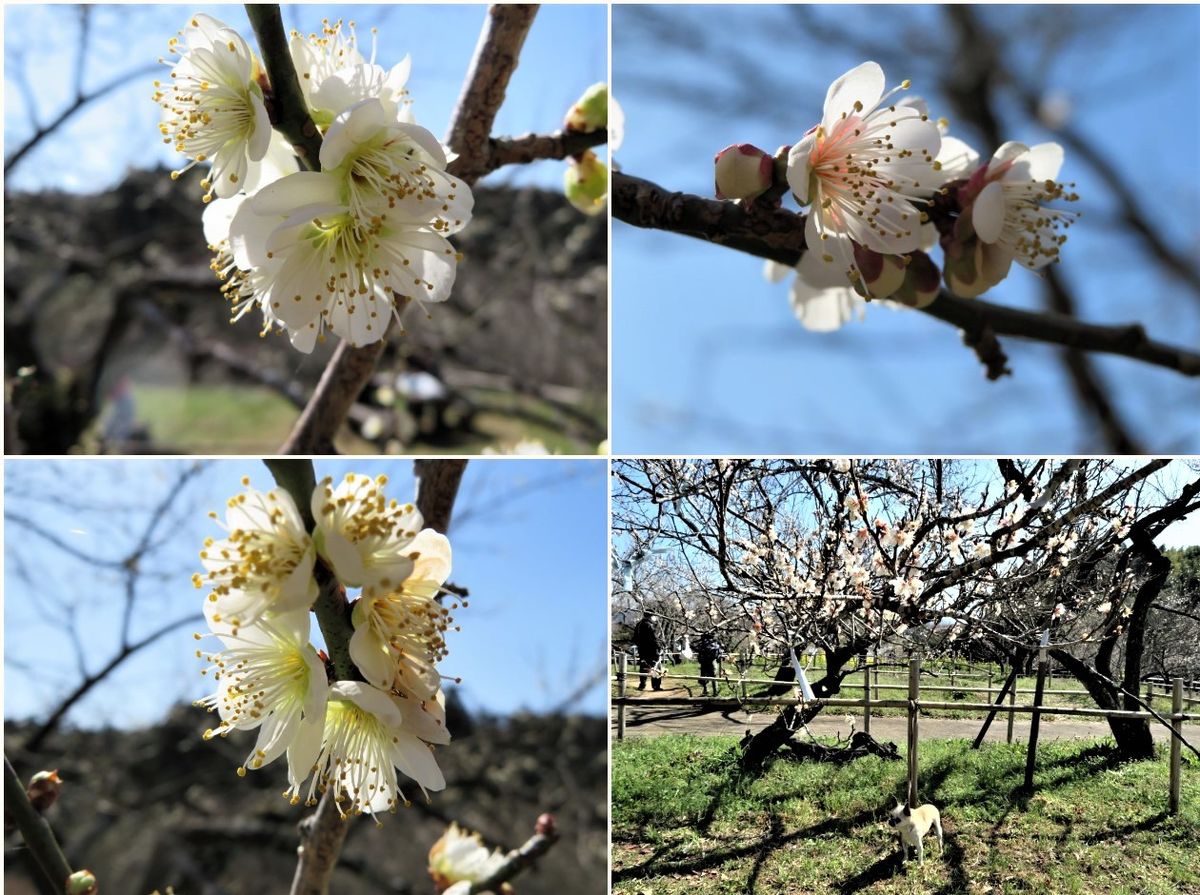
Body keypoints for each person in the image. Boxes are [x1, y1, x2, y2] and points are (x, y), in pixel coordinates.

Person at [632, 611, 661, 691]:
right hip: (651, 649)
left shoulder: (639, 624)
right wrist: (658, 647)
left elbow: (635, 638)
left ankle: (642, 684)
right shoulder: (649, 625)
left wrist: (640, 646)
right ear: (650, 616)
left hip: (642, 649)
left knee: (643, 666)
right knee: (655, 666)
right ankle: (656, 685)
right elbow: (654, 638)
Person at [697, 631, 723, 696]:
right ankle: (715, 692)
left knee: (704, 677)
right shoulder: (715, 643)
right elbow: (719, 652)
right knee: (713, 677)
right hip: (712, 662)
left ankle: (706, 690)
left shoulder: (703, 644)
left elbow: (697, 650)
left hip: (704, 662)